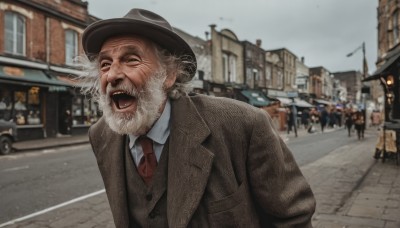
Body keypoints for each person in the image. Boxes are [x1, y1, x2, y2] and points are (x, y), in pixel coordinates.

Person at [79, 8, 315, 227]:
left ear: (169, 74)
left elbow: (294, 218)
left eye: (131, 59)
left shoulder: (244, 124)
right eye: (105, 64)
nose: (112, 75)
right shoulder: (101, 135)